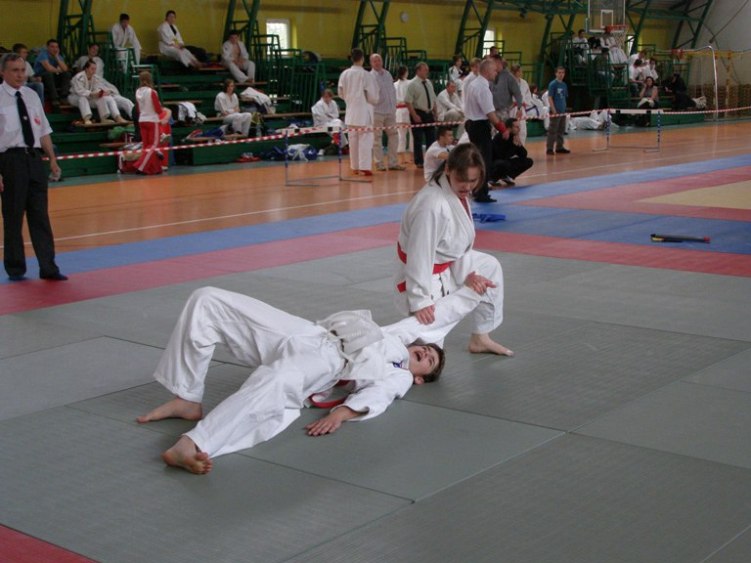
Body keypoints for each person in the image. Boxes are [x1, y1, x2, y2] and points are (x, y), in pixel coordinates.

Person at [137, 279, 493, 474]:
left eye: (429, 362)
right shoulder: (398, 337)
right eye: (427, 350)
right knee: (209, 299)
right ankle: (187, 395)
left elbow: (379, 397)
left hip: (327, 362)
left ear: (419, 379)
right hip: (307, 332)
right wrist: (469, 292)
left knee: (274, 384)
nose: (426, 354)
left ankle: (195, 443)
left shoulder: (397, 374)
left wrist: (342, 413)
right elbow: (437, 317)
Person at [394, 143, 512, 356]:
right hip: (425, 273)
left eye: (473, 180)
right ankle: (391, 351)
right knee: (429, 350)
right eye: (462, 179)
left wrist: (469, 275)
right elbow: (420, 255)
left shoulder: (454, 192)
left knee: (489, 267)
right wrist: (420, 300)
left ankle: (480, 338)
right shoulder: (431, 205)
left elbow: (459, 244)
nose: (467, 186)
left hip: (448, 262)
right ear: (448, 169)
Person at [0, 53, 66, 281]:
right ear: (3, 72)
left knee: (40, 216)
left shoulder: (31, 95)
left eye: (22, 70)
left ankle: (48, 267)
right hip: (10, 160)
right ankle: (15, 267)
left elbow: (43, 130)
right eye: (14, 70)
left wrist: (52, 159)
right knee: (13, 216)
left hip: (34, 159)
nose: (20, 75)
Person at [462, 58, 508, 203]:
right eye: (494, 70)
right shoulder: (482, 88)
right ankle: (481, 193)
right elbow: (490, 113)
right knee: (483, 161)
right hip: (480, 125)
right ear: (487, 71)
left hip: (471, 123)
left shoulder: (473, 84)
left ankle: (476, 190)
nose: (496, 73)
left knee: (477, 159)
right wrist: (502, 129)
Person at [338, 48, 378, 177]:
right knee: (365, 140)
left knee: (353, 140)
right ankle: (364, 167)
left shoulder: (344, 74)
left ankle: (355, 166)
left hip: (350, 111)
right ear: (362, 59)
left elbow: (340, 93)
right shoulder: (366, 75)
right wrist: (372, 100)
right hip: (364, 112)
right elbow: (372, 96)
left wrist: (350, 99)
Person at [370, 53, 403, 171]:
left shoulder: (388, 74)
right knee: (377, 138)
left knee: (394, 136)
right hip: (377, 112)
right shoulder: (370, 76)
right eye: (375, 61)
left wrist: (394, 106)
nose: (377, 63)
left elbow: (392, 91)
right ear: (371, 63)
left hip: (390, 111)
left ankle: (393, 162)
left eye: (379, 60)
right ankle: (378, 162)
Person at [69, 60, 127, 125]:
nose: (94, 71)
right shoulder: (79, 77)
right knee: (82, 98)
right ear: (86, 69)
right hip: (75, 97)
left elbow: (97, 88)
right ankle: (86, 119)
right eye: (92, 69)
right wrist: (91, 93)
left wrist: (100, 93)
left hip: (89, 97)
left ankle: (104, 118)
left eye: (95, 69)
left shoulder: (95, 77)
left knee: (102, 98)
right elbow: (79, 91)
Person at [133, 71, 168, 175]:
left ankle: (154, 168)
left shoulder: (137, 92)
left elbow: (138, 109)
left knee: (146, 145)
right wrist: (163, 112)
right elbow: (158, 109)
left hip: (142, 120)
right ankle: (141, 166)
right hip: (152, 120)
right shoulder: (152, 92)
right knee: (153, 145)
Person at [404, 61, 437, 169]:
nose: (427, 71)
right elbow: (408, 101)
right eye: (425, 70)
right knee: (418, 139)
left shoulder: (429, 83)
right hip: (418, 112)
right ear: (418, 71)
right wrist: (414, 115)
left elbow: (433, 98)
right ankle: (419, 161)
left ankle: (430, 159)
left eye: (427, 70)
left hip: (429, 113)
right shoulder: (412, 84)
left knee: (431, 138)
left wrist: (435, 112)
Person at [489, 118, 533, 187]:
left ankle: (507, 176)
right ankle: (492, 178)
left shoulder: (514, 137)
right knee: (504, 164)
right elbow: (501, 156)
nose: (519, 129)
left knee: (528, 161)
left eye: (519, 127)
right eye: (516, 127)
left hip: (505, 161)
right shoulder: (501, 137)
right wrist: (514, 146)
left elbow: (524, 155)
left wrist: (519, 145)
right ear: (509, 128)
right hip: (494, 163)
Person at [33, 39, 71, 110]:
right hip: (40, 78)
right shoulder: (43, 54)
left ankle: (63, 97)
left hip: (52, 77)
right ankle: (54, 98)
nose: (55, 49)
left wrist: (56, 57)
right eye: (52, 47)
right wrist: (59, 70)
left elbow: (65, 69)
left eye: (56, 47)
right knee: (48, 74)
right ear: (48, 47)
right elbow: (49, 68)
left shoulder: (58, 56)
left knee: (67, 74)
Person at [490, 55, 523, 123]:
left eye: (492, 63)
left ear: (498, 62)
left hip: (503, 110)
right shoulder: (490, 75)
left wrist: (519, 108)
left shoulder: (509, 77)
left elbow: (517, 93)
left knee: (503, 128)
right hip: (491, 110)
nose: (490, 65)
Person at [546, 66, 569, 155]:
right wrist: (553, 110)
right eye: (559, 73)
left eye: (562, 73)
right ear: (556, 73)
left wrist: (565, 109)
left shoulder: (564, 85)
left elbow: (564, 98)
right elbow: (550, 97)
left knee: (561, 130)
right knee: (553, 130)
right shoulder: (553, 84)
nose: (561, 74)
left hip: (563, 111)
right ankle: (549, 148)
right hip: (555, 111)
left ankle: (559, 147)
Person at [394, 65, 412, 162]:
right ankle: (412, 157)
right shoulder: (410, 83)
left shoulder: (394, 85)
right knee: (412, 135)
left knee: (400, 135)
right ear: (406, 72)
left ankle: (402, 158)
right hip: (409, 109)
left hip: (398, 111)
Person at [511, 64, 532, 145]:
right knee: (512, 129)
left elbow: (528, 95)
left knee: (522, 130)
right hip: (511, 109)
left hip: (521, 109)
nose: (521, 73)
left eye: (521, 71)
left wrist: (524, 103)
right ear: (514, 72)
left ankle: (521, 148)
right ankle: (510, 149)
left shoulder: (524, 83)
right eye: (519, 71)